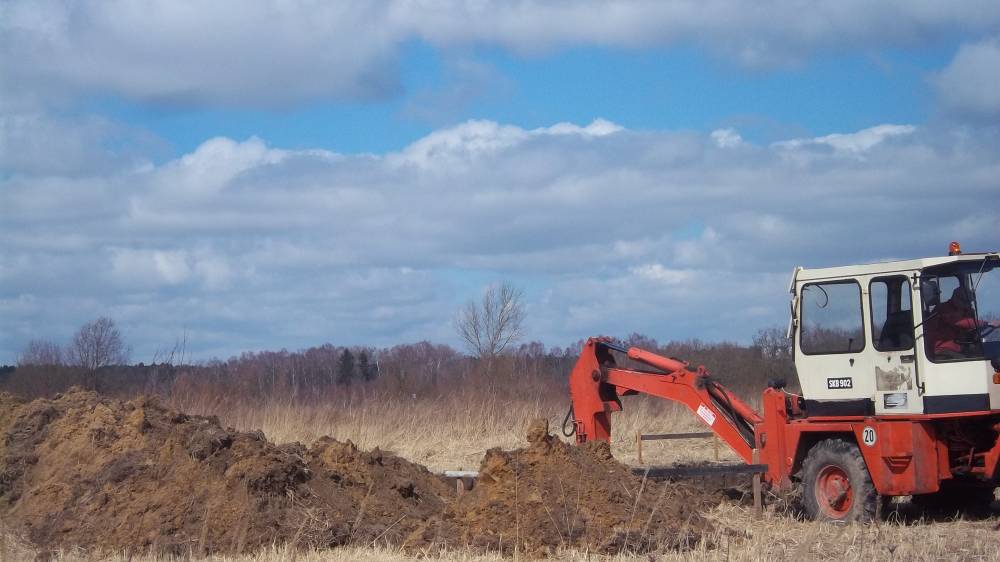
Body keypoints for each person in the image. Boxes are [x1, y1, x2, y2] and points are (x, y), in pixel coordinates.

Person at [926, 286, 1000, 358]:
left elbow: (970, 330)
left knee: (992, 349)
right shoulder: (944, 309)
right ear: (956, 299)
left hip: (959, 347)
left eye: (970, 302)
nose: (969, 305)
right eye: (966, 302)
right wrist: (988, 323)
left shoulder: (964, 311)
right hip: (943, 349)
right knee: (974, 360)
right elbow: (960, 322)